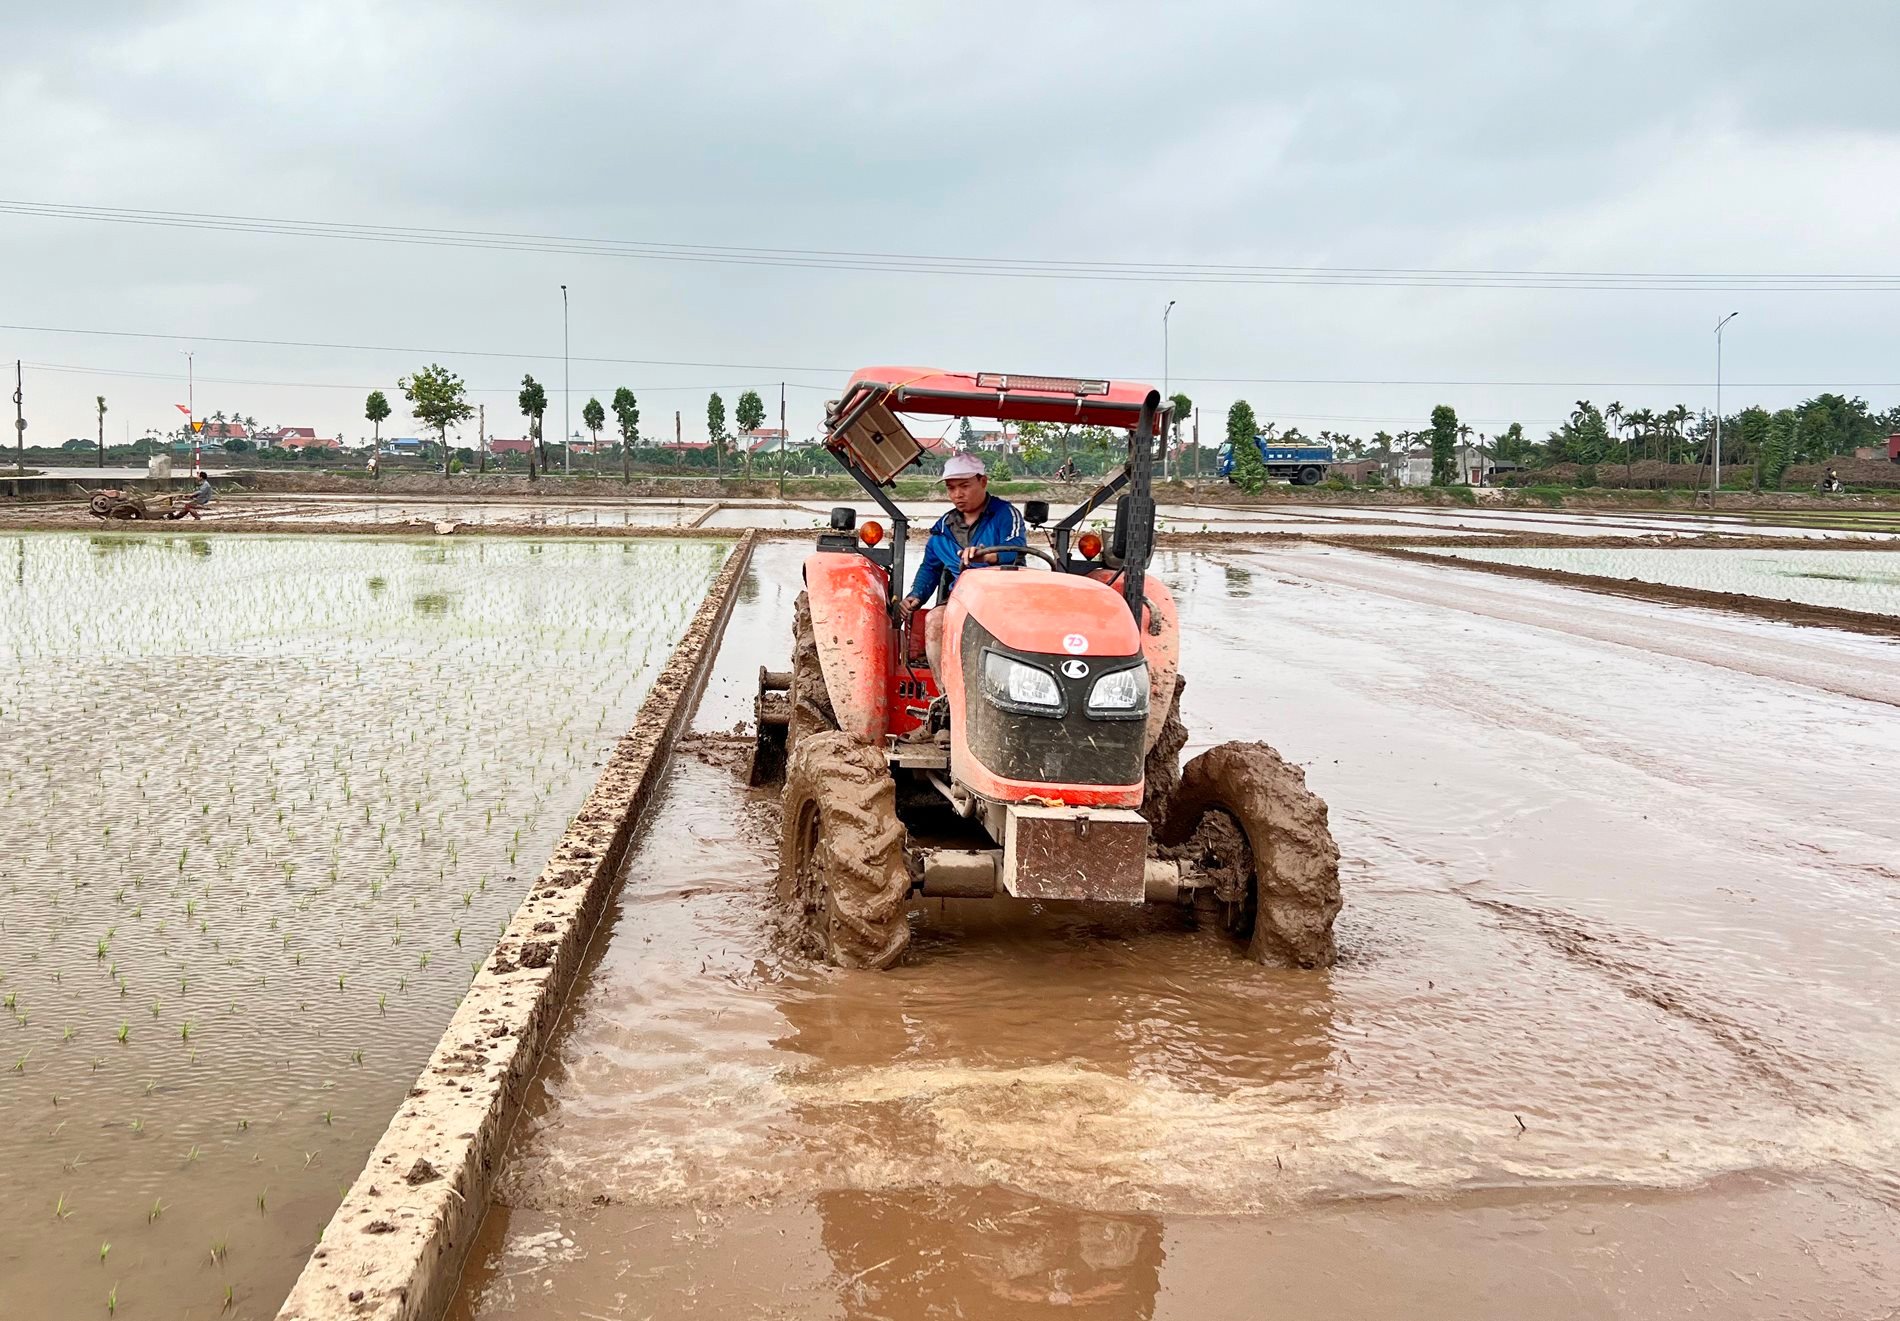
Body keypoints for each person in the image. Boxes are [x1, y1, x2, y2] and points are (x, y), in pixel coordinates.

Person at [900, 453, 1027, 675]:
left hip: (1004, 600)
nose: (957, 494)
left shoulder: (1006, 514)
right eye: (951, 488)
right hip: (961, 601)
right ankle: (945, 695)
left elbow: (1016, 547)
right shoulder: (942, 529)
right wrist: (916, 595)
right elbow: (930, 567)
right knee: (934, 620)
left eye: (964, 486)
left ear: (983, 482)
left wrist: (986, 556)